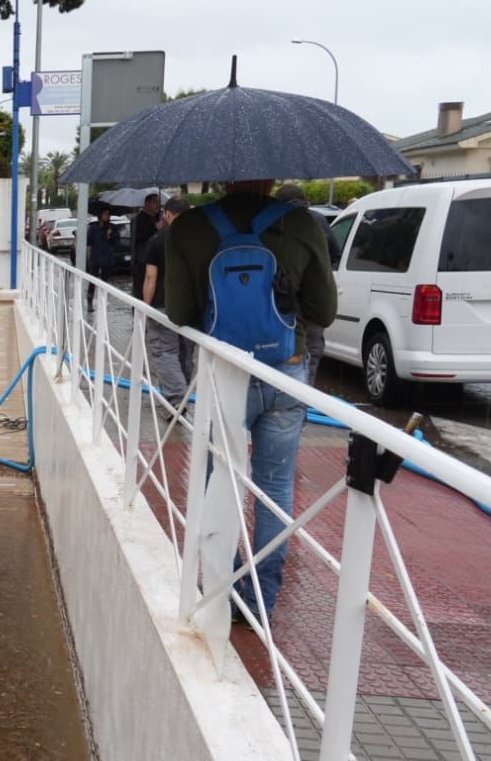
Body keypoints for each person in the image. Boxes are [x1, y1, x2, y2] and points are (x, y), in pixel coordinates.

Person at [164, 181, 337, 623]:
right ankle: (261, 601)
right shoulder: (301, 223)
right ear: (273, 177)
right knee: (274, 489)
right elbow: (325, 310)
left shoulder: (191, 227)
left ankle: (218, 584)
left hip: (223, 373)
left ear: (222, 178)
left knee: (215, 480)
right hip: (284, 370)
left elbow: (178, 313)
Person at [273, 183, 341, 385]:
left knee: (281, 353)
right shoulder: (318, 220)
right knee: (311, 351)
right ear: (305, 201)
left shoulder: (273, 222)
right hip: (314, 302)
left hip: (282, 301)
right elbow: (336, 255)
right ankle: (304, 398)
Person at [139, 195, 194, 409]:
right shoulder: (200, 240)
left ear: (167, 215)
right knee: (186, 352)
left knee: (165, 351)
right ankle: (186, 391)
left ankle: (176, 400)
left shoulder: (157, 240)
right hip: (190, 308)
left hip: (162, 306)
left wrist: (145, 306)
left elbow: (151, 277)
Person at [85, 206, 116, 310]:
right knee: (92, 280)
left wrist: (110, 236)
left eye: (108, 214)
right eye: (105, 214)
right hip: (96, 257)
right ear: (100, 216)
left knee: (104, 282)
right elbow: (89, 243)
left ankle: (102, 302)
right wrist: (89, 259)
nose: (107, 216)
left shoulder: (112, 227)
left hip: (107, 257)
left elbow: (116, 242)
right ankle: (90, 301)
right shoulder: (93, 228)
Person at [132, 192, 162, 272]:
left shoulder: (159, 217)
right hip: (142, 260)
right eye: (155, 202)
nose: (158, 205)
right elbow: (139, 238)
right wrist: (155, 228)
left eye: (159, 202)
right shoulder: (138, 219)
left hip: (157, 258)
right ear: (147, 203)